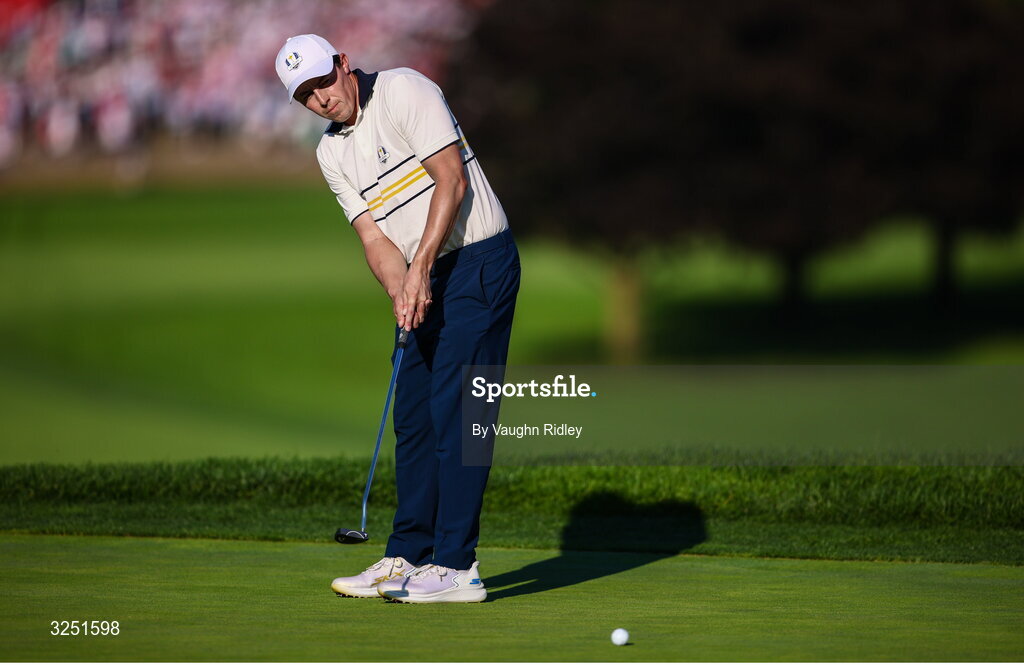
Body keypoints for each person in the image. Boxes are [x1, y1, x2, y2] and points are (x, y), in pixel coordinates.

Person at [275, 34, 520, 603]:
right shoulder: (330, 152)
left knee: (459, 413)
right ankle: (408, 554)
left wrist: (421, 269)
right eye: (305, 95)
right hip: (421, 276)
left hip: (478, 264)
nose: (320, 99)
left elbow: (452, 181)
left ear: (343, 64)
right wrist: (399, 287)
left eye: (323, 82)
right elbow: (372, 236)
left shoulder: (404, 90)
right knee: (414, 416)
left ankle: (459, 568)